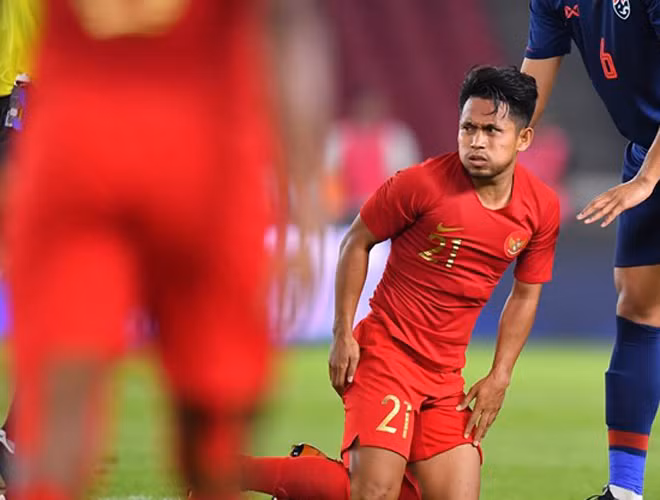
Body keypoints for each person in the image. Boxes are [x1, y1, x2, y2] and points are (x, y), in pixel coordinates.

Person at [5, 1, 332, 500]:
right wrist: (304, 195)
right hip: (160, 156)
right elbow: (290, 26)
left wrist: (304, 193)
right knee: (67, 395)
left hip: (143, 154)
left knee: (206, 419)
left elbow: (287, 24)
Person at [240, 65, 560, 500]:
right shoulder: (420, 184)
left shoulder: (540, 208)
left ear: (523, 139)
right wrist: (342, 333)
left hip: (445, 377)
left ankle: (310, 474)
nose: (476, 141)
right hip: (386, 356)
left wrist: (500, 375)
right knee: (375, 492)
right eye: (468, 128)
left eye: (491, 131)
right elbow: (356, 242)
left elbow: (525, 294)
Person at [521, 2, 660, 499]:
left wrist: (646, 180)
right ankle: (625, 491)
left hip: (651, 166)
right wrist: (493, 152)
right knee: (639, 304)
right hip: (649, 148)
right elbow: (531, 87)